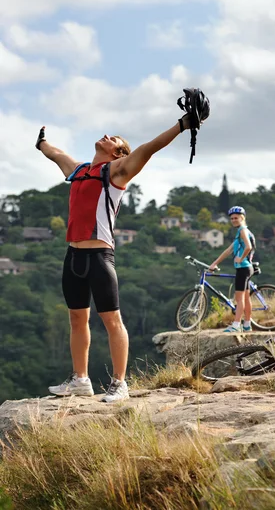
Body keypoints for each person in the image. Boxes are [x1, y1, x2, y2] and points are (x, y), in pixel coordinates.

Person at [36, 89, 209, 402]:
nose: (105, 136)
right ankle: (80, 380)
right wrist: (41, 142)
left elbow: (148, 149)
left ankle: (119, 383)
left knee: (112, 320)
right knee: (77, 319)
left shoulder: (115, 171)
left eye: (113, 138)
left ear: (119, 154)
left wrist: (182, 125)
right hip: (72, 257)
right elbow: (55, 154)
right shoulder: (77, 170)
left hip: (100, 257)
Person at [209, 206, 255, 333]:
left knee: (239, 299)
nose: (234, 220)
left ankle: (236, 325)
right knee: (246, 298)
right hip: (247, 268)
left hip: (243, 268)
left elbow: (248, 246)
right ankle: (247, 325)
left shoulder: (242, 231)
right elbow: (228, 251)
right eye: (232, 218)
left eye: (236, 218)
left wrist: (240, 258)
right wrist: (214, 263)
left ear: (242, 218)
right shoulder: (241, 232)